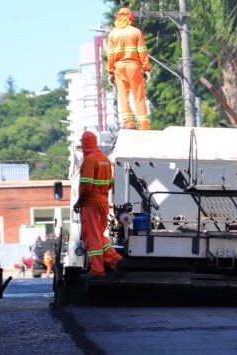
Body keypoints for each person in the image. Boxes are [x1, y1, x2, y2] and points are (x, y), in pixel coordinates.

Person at [75, 131, 124, 278]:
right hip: (103, 202)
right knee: (98, 235)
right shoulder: (105, 159)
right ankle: (115, 260)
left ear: (85, 144)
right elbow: (110, 184)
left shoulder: (90, 160)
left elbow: (86, 187)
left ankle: (97, 270)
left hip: (90, 204)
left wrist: (79, 202)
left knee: (91, 237)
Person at [107, 7, 151, 130]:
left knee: (123, 96)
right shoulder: (136, 32)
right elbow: (142, 51)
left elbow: (110, 55)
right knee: (138, 95)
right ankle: (143, 124)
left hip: (119, 68)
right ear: (129, 18)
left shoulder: (112, 34)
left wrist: (110, 72)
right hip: (134, 66)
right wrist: (147, 68)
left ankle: (129, 123)